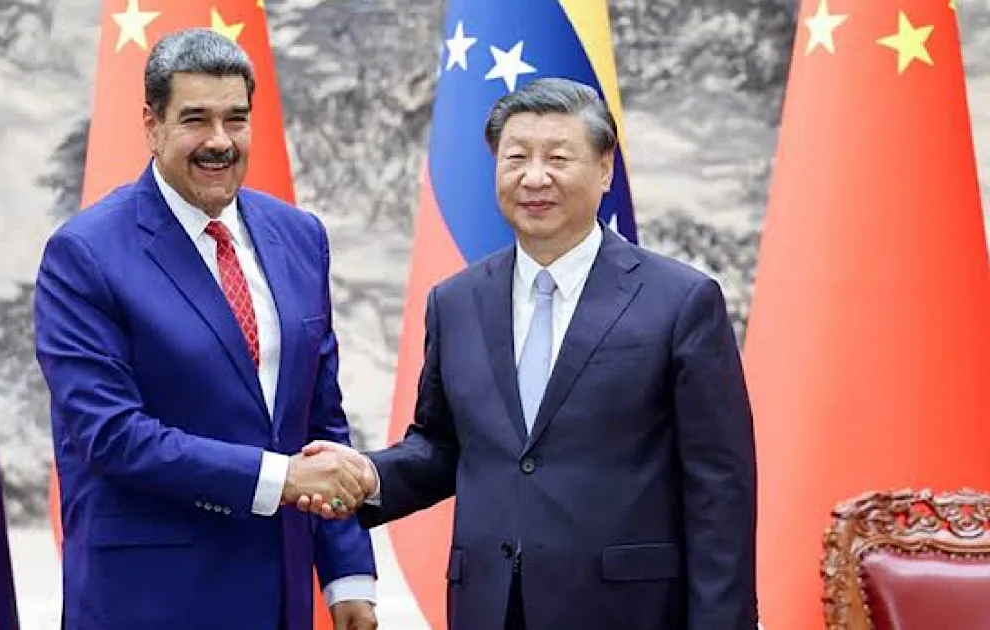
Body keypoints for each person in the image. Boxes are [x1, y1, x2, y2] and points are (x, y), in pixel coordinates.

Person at [301, 78, 757, 630]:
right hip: (490, 608)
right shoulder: (456, 302)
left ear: (605, 168)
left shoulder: (680, 301)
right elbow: (443, 446)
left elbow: (720, 489)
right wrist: (368, 475)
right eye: (516, 158)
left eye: (558, 158)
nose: (534, 177)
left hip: (627, 610)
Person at [34, 28, 377, 630]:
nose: (220, 141)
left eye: (236, 119)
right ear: (152, 125)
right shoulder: (84, 254)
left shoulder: (300, 236)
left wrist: (347, 574)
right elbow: (111, 435)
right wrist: (282, 478)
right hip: (150, 603)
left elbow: (318, 418)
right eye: (196, 119)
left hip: (280, 599)